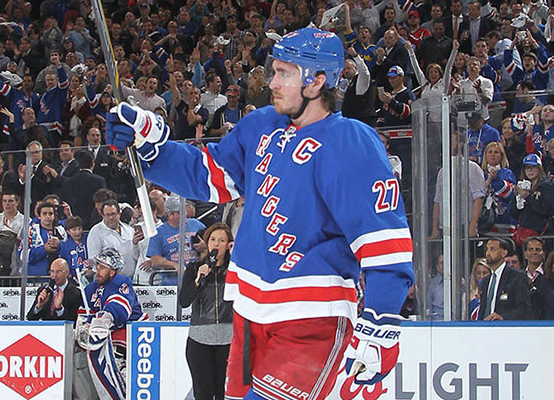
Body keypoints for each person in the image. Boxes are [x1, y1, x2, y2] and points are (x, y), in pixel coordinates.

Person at [106, 27, 413, 397]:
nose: (272, 81)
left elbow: (384, 244)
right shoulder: (263, 125)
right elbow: (210, 176)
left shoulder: (351, 143)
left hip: (311, 319)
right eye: (274, 70)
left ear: (317, 81)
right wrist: (150, 146)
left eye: (285, 73)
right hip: (250, 313)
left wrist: (379, 322)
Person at [79, 247, 145, 400]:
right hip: (106, 335)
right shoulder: (91, 289)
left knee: (117, 361)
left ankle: (126, 388)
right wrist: (84, 325)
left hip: (131, 330)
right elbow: (83, 314)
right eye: (97, 266)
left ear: (112, 271)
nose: (98, 271)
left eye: (102, 267)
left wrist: (103, 319)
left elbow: (119, 309)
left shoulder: (121, 282)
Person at [178, 223, 234, 400]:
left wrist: (237, 260)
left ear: (228, 245)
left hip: (228, 340)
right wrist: (197, 280)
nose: (216, 244)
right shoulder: (195, 268)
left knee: (224, 394)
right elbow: (184, 301)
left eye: (222, 240)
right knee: (203, 394)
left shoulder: (235, 270)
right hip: (199, 340)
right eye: (213, 239)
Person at [147, 196, 206, 285]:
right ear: (170, 215)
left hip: (196, 278)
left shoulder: (196, 224)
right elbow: (155, 259)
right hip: (172, 283)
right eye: (181, 212)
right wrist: (174, 265)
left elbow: (211, 239)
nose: (185, 214)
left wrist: (205, 246)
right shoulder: (158, 233)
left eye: (185, 210)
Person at [478, 238, 532, 320]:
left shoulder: (517, 277)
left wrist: (502, 317)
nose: (488, 253)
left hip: (506, 328)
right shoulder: (486, 281)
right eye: (487, 249)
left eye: (492, 249)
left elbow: (524, 308)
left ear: (504, 253)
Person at [86, 199, 139, 278]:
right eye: (107, 214)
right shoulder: (96, 232)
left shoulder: (129, 230)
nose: (111, 217)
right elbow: (94, 261)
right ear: (102, 215)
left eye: (113, 214)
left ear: (119, 213)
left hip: (131, 280)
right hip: (109, 281)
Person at [513, 154, 554, 247]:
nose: (529, 170)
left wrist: (527, 197)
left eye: (533, 167)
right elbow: (514, 213)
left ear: (539, 169)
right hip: (523, 232)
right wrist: (517, 199)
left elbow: (547, 209)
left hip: (540, 234)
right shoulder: (522, 186)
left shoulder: (546, 186)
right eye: (527, 168)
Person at [26, 202, 67, 277]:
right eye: (44, 214)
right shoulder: (31, 231)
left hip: (58, 278)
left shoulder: (61, 231)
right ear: (39, 216)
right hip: (36, 278)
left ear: (54, 216)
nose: (48, 216)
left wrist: (60, 245)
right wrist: (44, 249)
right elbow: (23, 256)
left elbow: (69, 252)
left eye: (50, 214)